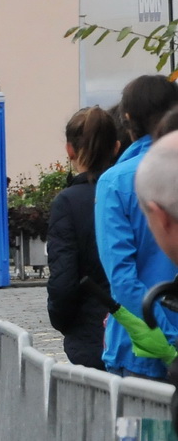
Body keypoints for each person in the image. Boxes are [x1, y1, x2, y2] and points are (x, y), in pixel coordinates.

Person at [99, 75, 178, 380]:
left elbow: (121, 277)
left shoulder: (116, 181)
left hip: (140, 345)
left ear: (127, 119)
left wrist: (167, 335)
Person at [45, 108, 120, 369]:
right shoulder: (133, 189)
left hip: (90, 332)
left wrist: (63, 321)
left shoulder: (68, 202)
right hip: (138, 324)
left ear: (70, 150)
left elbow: (63, 279)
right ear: (116, 147)